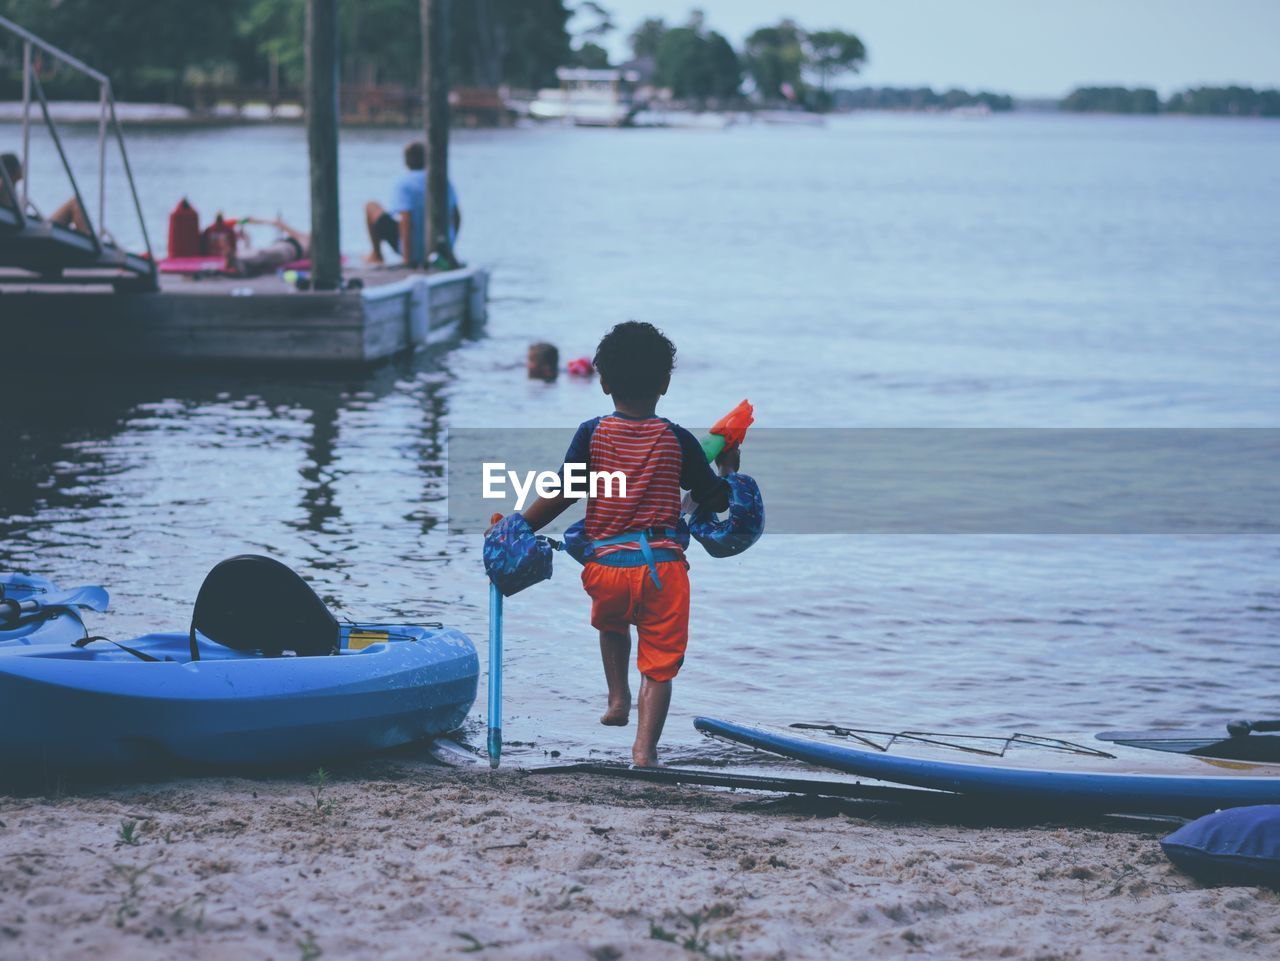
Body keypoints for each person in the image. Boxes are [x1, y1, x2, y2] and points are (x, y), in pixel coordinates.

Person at [516, 322, 737, 767]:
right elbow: (715, 498)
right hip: (663, 570)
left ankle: (617, 700)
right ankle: (644, 750)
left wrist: (518, 526)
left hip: (608, 566)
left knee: (612, 625)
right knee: (658, 663)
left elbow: (563, 491)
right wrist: (730, 467)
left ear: (604, 383)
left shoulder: (592, 433)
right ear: (665, 383)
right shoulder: (678, 439)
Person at [365, 141, 460, 268]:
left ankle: (377, 255)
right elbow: (457, 216)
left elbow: (406, 219)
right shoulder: (442, 181)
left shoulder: (405, 183)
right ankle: (445, 251)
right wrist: (450, 247)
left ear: (406, 162)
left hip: (413, 251)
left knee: (371, 206)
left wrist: (407, 260)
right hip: (438, 248)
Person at [1, 151, 90, 232]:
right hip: (28, 232)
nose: (22, 169)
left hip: (29, 226)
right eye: (19, 167)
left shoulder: (11, 188)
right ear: (11, 170)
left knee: (74, 203)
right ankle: (88, 243)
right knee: (74, 203)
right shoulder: (3, 186)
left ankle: (86, 237)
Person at [226, 216, 309, 277]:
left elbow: (278, 223)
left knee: (262, 254)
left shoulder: (310, 240)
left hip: (289, 250)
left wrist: (256, 220)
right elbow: (278, 224)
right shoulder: (305, 237)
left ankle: (239, 260)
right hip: (285, 248)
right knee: (261, 254)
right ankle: (240, 260)